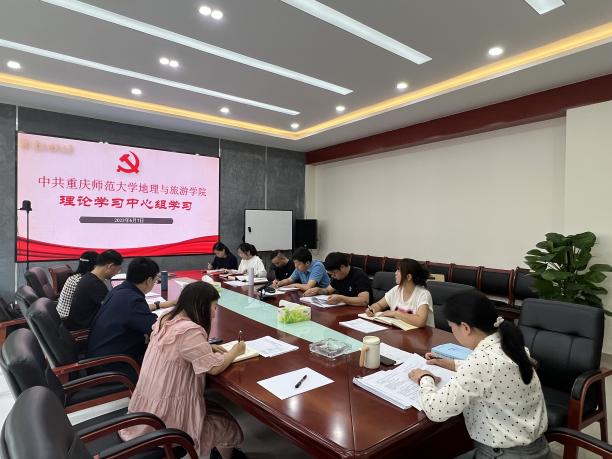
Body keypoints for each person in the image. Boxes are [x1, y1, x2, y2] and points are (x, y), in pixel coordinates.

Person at [408, 290, 550, 459]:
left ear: (465, 328)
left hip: (502, 454)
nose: (452, 331)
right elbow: (493, 370)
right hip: (536, 449)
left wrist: (424, 378)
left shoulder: (482, 361)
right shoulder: (509, 344)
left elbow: (435, 410)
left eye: (452, 327)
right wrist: (450, 363)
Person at [119, 281, 246, 459]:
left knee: (218, 412)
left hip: (147, 409)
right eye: (214, 307)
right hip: (167, 418)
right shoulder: (189, 331)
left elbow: (179, 348)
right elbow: (215, 368)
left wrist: (205, 347)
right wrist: (235, 352)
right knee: (227, 426)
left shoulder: (166, 318)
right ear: (201, 306)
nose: (215, 313)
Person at [86, 257, 175, 382]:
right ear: (149, 280)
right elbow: (157, 328)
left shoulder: (120, 290)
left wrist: (160, 306)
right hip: (113, 367)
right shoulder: (132, 299)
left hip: (99, 357)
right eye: (155, 280)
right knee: (169, 369)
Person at [365, 258, 433, 328]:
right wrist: (373, 309)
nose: (395, 273)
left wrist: (395, 314)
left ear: (408, 277)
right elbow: (379, 305)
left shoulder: (423, 294)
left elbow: (420, 321)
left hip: (421, 333)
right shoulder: (396, 289)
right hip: (399, 332)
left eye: (399, 270)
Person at [66, 249, 123, 331]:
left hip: (81, 323)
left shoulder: (88, 277)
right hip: (85, 330)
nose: (117, 273)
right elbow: (113, 309)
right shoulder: (94, 285)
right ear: (110, 266)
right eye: (118, 269)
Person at [303, 252, 372, 306]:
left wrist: (341, 298)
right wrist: (318, 290)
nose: (332, 276)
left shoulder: (359, 275)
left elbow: (364, 301)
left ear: (342, 267)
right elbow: (328, 291)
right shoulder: (337, 276)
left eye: (334, 273)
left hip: (359, 312)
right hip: (343, 309)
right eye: (331, 274)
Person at [56, 251, 98, 319]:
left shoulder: (76, 276)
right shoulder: (84, 281)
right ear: (94, 266)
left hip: (63, 312)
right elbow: (95, 300)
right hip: (68, 318)